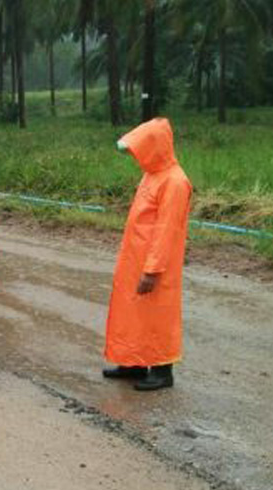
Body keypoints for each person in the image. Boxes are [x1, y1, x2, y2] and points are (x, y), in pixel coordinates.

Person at [102, 118, 194, 391]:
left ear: (154, 148)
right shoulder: (152, 174)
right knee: (132, 311)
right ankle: (134, 363)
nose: (135, 156)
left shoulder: (175, 182)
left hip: (155, 264)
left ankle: (162, 370)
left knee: (157, 315)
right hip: (134, 258)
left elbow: (167, 231)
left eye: (139, 149)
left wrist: (152, 269)